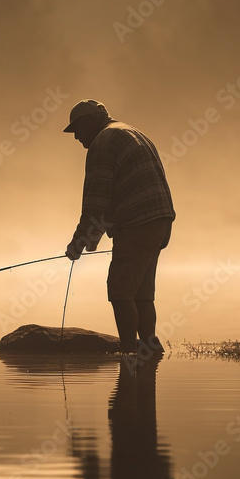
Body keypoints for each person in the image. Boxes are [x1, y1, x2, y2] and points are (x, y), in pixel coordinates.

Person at [63, 99, 176, 356]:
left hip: (137, 222)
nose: (76, 137)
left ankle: (128, 352)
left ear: (90, 121)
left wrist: (80, 242)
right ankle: (149, 347)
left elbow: (97, 199)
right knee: (142, 292)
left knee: (120, 290)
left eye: (77, 129)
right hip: (160, 220)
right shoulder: (132, 132)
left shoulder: (103, 143)